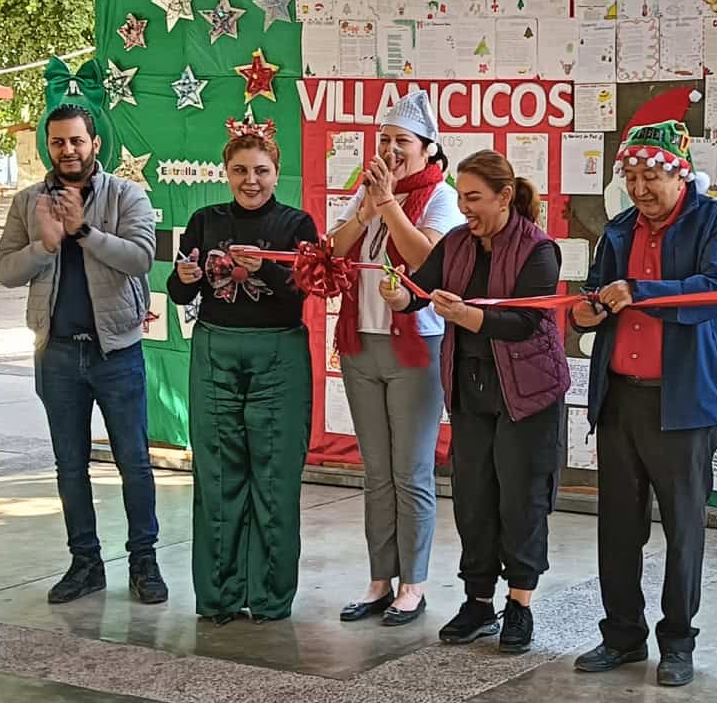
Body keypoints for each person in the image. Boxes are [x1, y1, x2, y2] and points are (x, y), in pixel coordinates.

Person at [569, 120, 717, 687]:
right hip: (620, 400)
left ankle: (678, 641)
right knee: (617, 527)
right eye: (631, 176)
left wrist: (642, 292)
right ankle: (621, 635)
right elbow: (593, 294)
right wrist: (585, 312)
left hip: (684, 403)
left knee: (683, 528)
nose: (640, 189)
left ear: (679, 171)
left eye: (652, 176)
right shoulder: (618, 230)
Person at [379, 150, 568, 653]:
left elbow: (525, 322)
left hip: (526, 395)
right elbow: (424, 288)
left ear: (505, 197)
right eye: (461, 197)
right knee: (474, 499)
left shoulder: (539, 250)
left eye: (475, 198)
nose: (465, 208)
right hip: (470, 390)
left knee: (520, 499)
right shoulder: (459, 242)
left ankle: (520, 605)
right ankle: (478, 602)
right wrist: (403, 298)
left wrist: (466, 318)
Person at [0, 72, 166, 607]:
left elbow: (141, 258)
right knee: (69, 464)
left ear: (95, 144)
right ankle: (85, 563)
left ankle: (145, 562)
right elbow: (4, 270)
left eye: (77, 140)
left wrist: (86, 233)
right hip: (58, 354)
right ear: (49, 147)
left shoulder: (127, 195)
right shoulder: (28, 202)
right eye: (58, 141)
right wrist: (46, 245)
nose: (68, 150)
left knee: (133, 461)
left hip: (116, 352)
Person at [166, 118, 317, 625]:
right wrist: (183, 276)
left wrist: (265, 270)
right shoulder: (205, 220)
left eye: (261, 170)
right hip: (215, 351)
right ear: (226, 172)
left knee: (274, 478)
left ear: (277, 172)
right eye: (239, 170)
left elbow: (303, 291)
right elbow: (182, 292)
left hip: (279, 354)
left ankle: (271, 597)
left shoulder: (297, 225)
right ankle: (218, 596)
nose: (250, 180)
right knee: (217, 475)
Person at [331, 90, 465, 626]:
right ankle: (378, 580)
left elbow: (426, 261)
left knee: (411, 471)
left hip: (417, 345)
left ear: (429, 150)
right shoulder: (366, 192)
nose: (389, 150)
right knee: (376, 471)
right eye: (383, 140)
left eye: (401, 142)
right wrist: (364, 210)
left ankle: (414, 584)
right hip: (361, 342)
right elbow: (335, 251)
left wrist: (387, 205)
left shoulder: (442, 198)